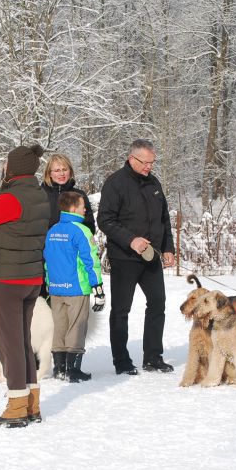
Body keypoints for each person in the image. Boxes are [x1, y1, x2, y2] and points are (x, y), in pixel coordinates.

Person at [0, 144, 50, 427]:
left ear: (11, 169)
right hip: (31, 279)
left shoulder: (13, 198)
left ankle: (16, 407)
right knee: (22, 341)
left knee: (8, 343)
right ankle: (31, 403)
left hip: (8, 279)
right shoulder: (38, 194)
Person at [97, 138, 175, 375]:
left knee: (157, 304)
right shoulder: (115, 183)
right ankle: (121, 361)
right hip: (124, 257)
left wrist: (168, 247)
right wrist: (131, 240)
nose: (149, 167)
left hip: (151, 257)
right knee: (121, 309)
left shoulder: (154, 183)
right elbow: (105, 220)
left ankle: (153, 357)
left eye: (152, 162)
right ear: (132, 158)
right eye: (145, 162)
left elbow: (164, 219)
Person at [43, 191, 105, 382]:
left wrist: (48, 283)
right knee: (76, 327)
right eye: (81, 205)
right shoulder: (81, 231)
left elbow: (47, 260)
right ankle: (73, 370)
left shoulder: (52, 230)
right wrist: (98, 287)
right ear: (72, 208)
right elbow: (91, 261)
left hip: (55, 288)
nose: (85, 208)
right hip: (77, 288)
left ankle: (59, 368)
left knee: (59, 327)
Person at [41, 153, 96, 234]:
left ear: (70, 171)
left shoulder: (79, 195)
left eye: (65, 169)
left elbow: (89, 227)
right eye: (57, 170)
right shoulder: (40, 194)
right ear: (49, 173)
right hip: (46, 245)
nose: (62, 174)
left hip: (73, 244)